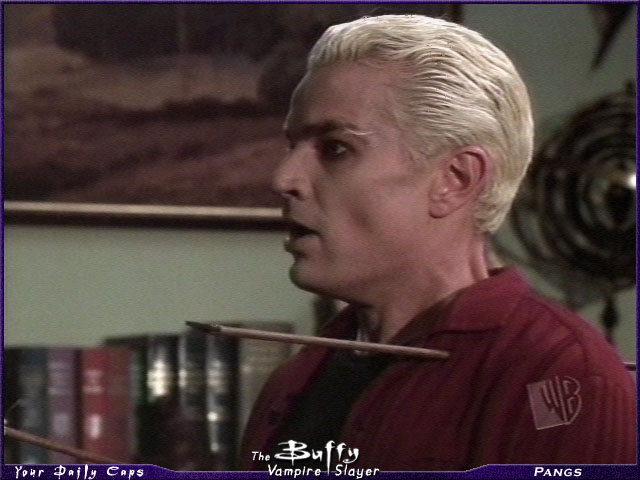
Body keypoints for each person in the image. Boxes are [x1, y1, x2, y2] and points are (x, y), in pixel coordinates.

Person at [240, 14, 636, 470]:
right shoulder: (295, 380)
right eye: (291, 146)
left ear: (455, 179)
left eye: (336, 148)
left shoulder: (560, 376)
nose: (284, 178)